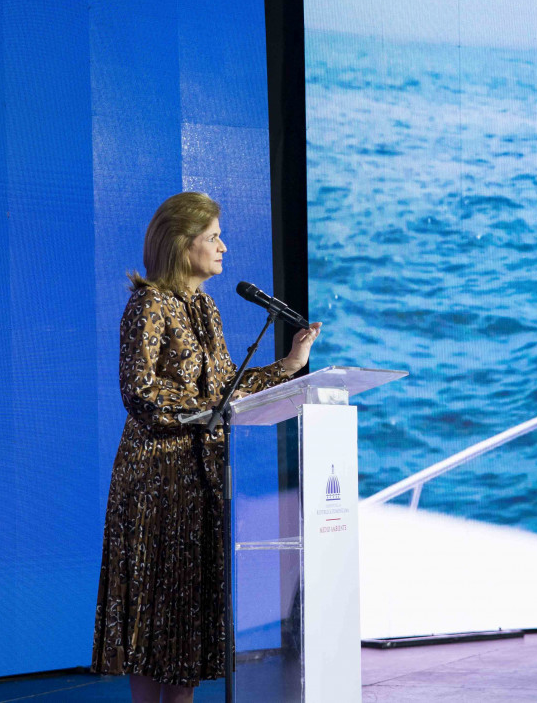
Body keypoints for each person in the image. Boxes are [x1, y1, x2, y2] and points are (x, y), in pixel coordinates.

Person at [91, 192, 322, 703]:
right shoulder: (149, 304)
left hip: (200, 480)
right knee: (155, 612)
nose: (224, 246)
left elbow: (224, 389)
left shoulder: (206, 308)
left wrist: (289, 366)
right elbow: (138, 390)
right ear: (182, 243)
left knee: (186, 616)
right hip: (155, 482)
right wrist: (203, 410)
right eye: (213, 236)